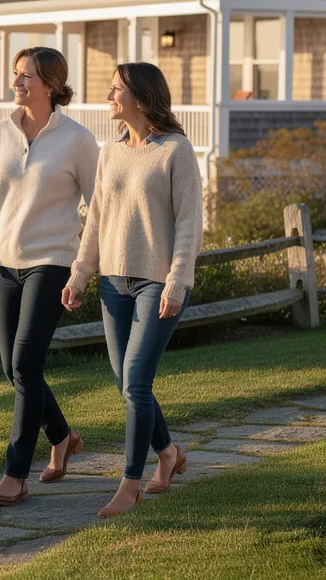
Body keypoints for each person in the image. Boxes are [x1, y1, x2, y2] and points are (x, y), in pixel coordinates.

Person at [61, 61, 203, 519]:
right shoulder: (110, 151)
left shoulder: (176, 151)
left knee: (137, 384)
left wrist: (177, 282)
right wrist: (80, 273)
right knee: (125, 382)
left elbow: (188, 225)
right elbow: (97, 217)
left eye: (116, 89)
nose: (109, 96)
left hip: (157, 282)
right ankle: (168, 453)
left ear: (140, 98)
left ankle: (129, 484)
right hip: (113, 283)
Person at [0, 46, 99, 506]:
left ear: (52, 85)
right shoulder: (1, 132)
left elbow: (98, 210)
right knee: (15, 371)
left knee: (24, 365)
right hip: (3, 262)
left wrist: (83, 267)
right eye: (15, 74)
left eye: (27, 76)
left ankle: (15, 472)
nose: (17, 83)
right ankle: (61, 437)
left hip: (51, 261)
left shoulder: (77, 140)